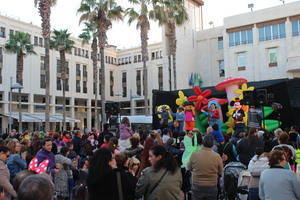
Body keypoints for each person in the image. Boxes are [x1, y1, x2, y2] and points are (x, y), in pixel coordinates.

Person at [187, 135, 223, 200]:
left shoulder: (194, 154)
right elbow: (220, 171)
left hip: (197, 185)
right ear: (212, 144)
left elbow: (189, 167)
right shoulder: (217, 156)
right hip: (211, 186)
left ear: (203, 142)